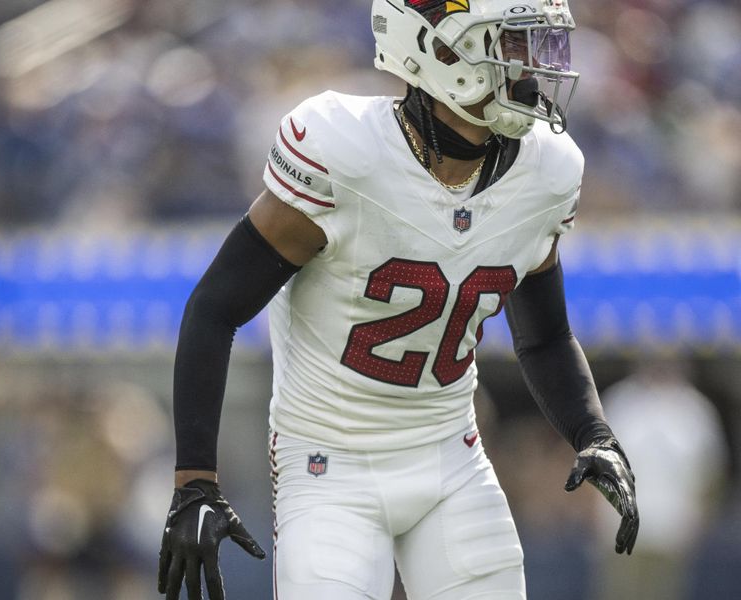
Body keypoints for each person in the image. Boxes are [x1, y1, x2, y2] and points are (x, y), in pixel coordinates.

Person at [157, 1, 639, 598]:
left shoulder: (546, 170)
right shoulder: (346, 151)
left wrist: (593, 433)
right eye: (511, 43)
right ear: (440, 50)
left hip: (451, 461)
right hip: (327, 467)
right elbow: (215, 308)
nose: (532, 64)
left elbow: (544, 336)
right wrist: (195, 482)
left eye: (535, 43)